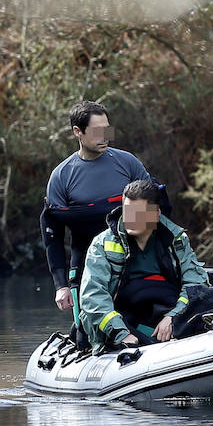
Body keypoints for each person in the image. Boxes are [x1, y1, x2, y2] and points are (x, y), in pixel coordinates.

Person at [41, 101, 153, 322]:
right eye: (96, 131)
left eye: (107, 130)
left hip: (136, 265)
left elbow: (157, 212)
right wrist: (60, 285)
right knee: (90, 331)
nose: (104, 137)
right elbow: (52, 236)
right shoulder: (62, 176)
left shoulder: (127, 163)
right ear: (77, 132)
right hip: (86, 271)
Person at [79, 180, 209, 354]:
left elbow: (196, 284)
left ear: (155, 214)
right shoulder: (102, 244)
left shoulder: (176, 239)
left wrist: (173, 317)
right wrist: (121, 333)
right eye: (127, 212)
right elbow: (92, 296)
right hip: (123, 321)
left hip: (166, 312)